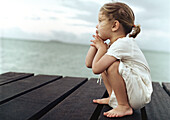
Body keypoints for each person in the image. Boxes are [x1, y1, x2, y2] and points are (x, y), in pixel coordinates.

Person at [85, 2, 153, 118]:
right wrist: (95, 44)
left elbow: (96, 69)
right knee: (104, 63)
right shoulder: (116, 44)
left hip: (139, 94)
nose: (97, 26)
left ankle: (123, 106)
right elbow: (89, 64)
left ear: (115, 26)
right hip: (133, 91)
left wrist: (101, 48)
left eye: (100, 21)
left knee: (112, 65)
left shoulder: (123, 43)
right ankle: (113, 97)